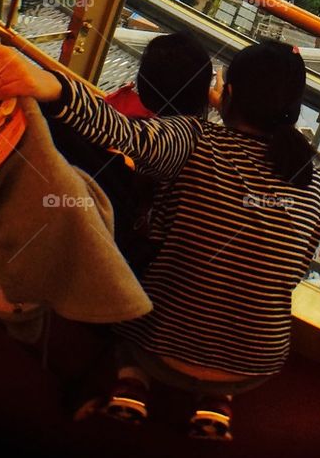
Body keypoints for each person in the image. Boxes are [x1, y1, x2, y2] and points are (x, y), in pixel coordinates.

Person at [0, 37, 320, 441]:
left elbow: (121, 131)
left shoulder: (195, 140)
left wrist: (48, 84)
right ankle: (218, 399)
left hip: (160, 346)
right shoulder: (309, 178)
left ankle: (132, 379)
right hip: (256, 362)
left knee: (138, 284)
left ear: (226, 95)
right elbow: (296, 269)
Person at [45, 32, 213, 276]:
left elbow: (118, 131)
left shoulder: (123, 124)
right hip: (134, 262)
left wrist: (56, 88)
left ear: (144, 84)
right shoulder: (200, 142)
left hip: (91, 236)